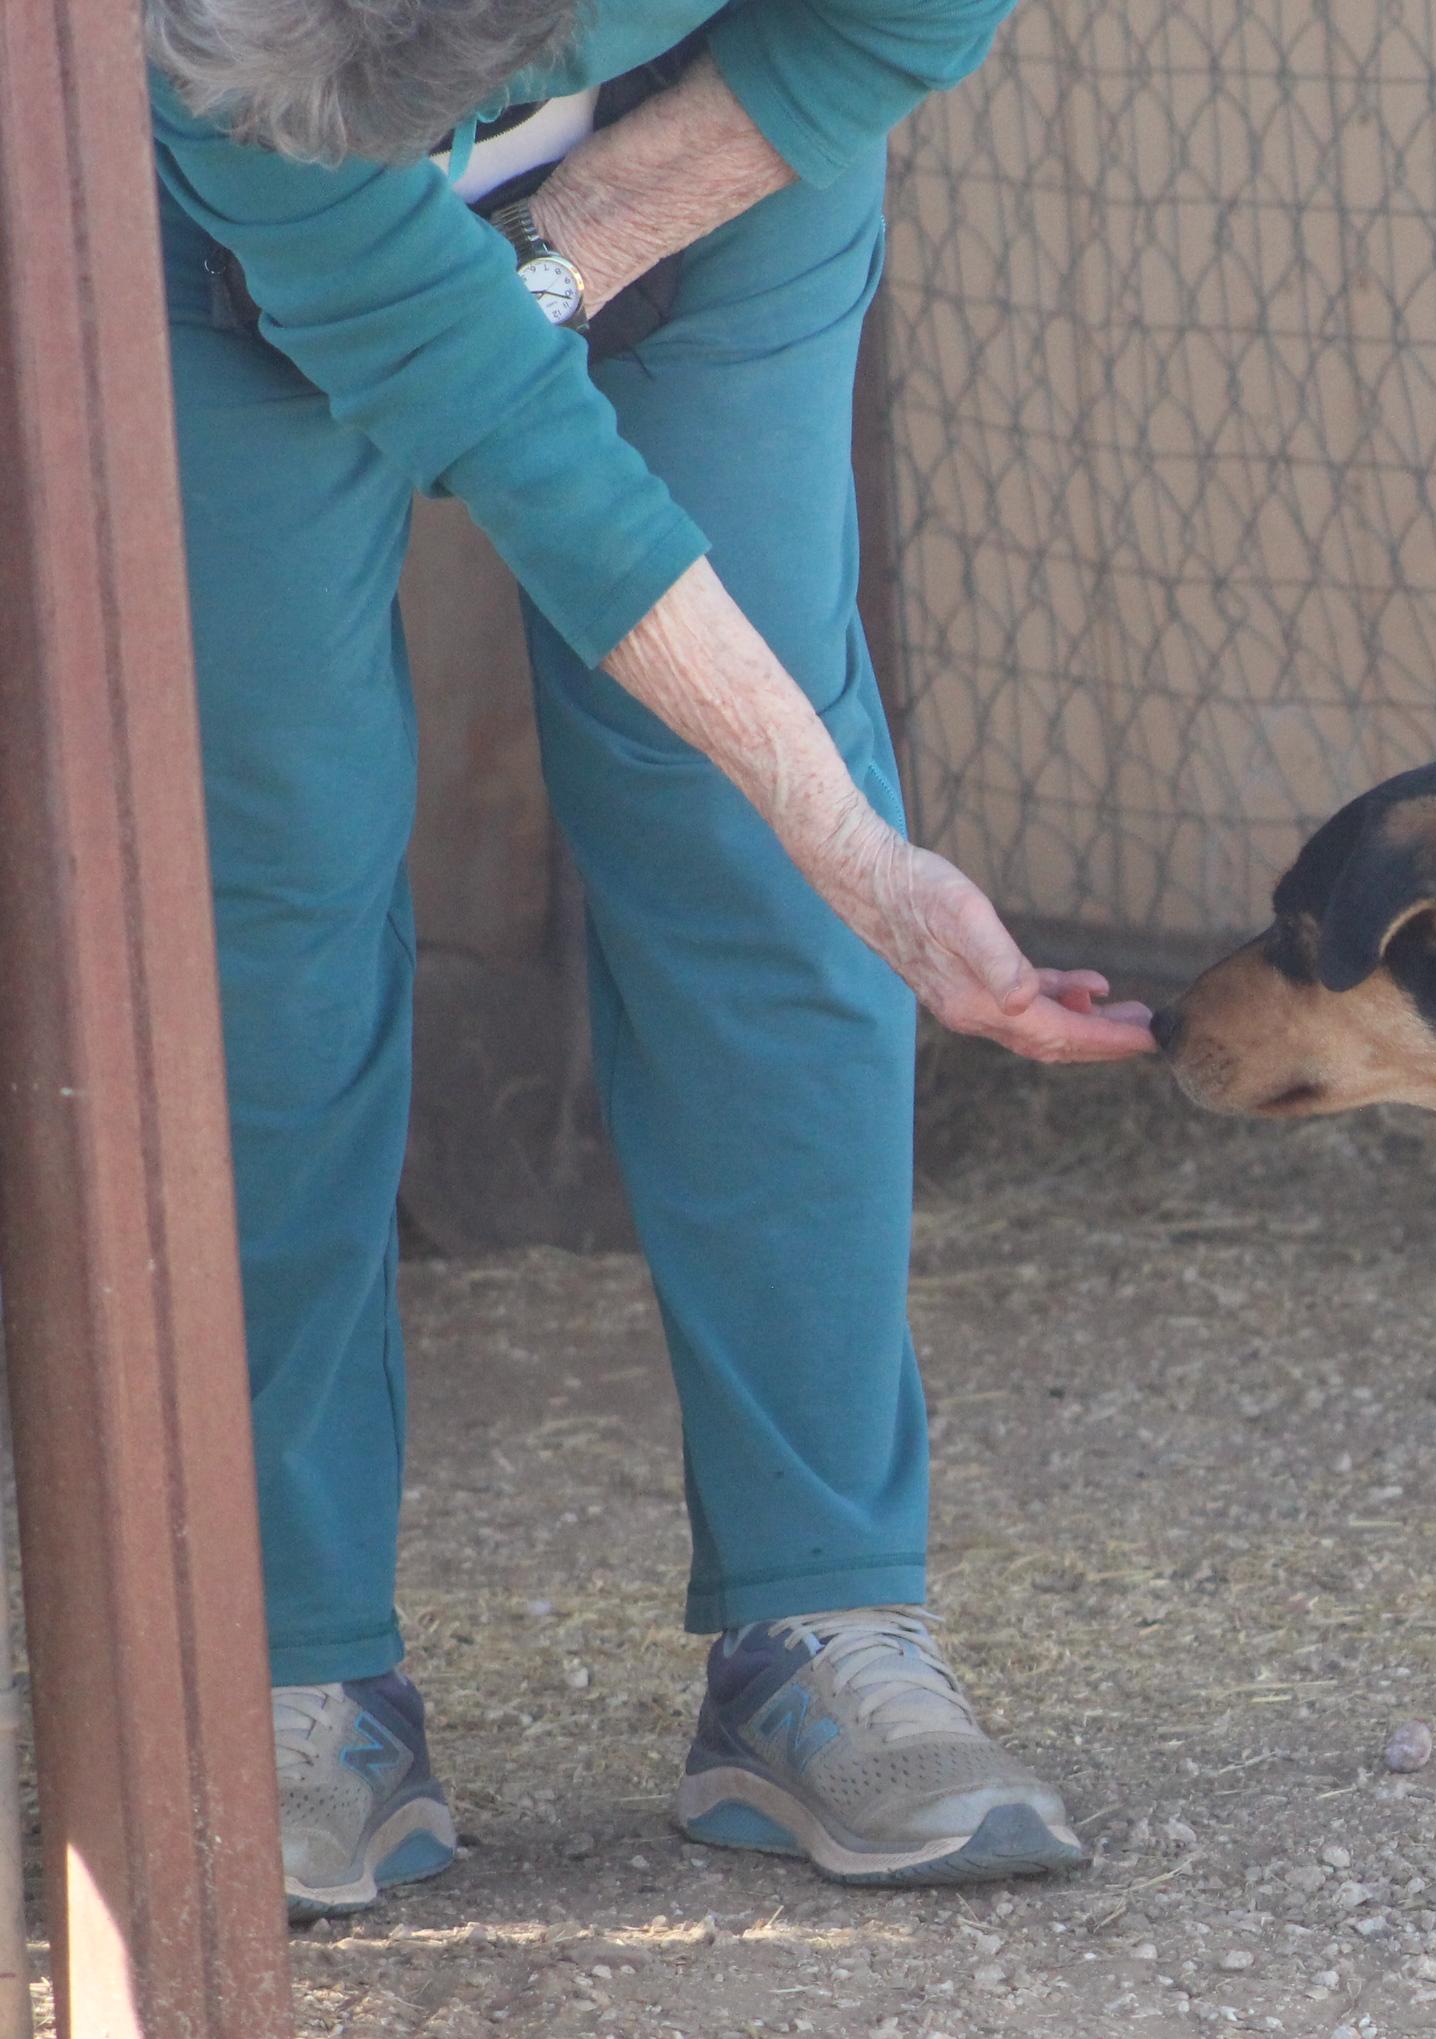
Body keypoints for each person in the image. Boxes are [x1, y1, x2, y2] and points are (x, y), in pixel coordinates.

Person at [145, 0, 1156, 1914]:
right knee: (262, 880)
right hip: (242, 227)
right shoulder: (216, 44)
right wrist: (504, 281)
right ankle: (287, 1666)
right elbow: (530, 452)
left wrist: (849, 852)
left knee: (756, 870)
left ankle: (822, 1632)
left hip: (729, 131)